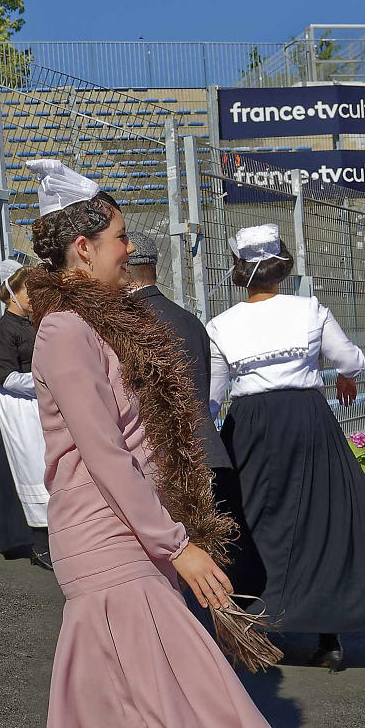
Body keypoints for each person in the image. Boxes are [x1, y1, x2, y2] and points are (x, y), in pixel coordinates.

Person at [19, 157, 291, 728]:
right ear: (80, 252)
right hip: (106, 537)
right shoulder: (66, 332)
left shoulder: (107, 323)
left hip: (132, 528)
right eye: (117, 237)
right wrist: (179, 548)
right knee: (171, 701)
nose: (126, 248)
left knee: (117, 699)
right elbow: (104, 457)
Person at [205, 225, 365, 671]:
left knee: (252, 517)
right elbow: (351, 361)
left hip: (252, 425)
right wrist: (343, 375)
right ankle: (328, 638)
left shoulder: (220, 325)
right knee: (324, 518)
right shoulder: (309, 309)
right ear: (282, 265)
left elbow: (213, 397)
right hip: (307, 419)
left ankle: (255, 624)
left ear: (239, 269)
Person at [122, 234, 262, 594]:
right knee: (218, 566)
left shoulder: (127, 323)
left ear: (126, 270)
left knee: (178, 575)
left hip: (165, 456)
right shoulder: (189, 320)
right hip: (209, 450)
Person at [0, 258, 51, 568]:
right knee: (29, 469)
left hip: (39, 404)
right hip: (16, 410)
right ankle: (37, 542)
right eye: (27, 291)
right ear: (11, 293)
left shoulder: (37, 322)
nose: (33, 297)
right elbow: (4, 376)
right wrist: (45, 380)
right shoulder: (3, 332)